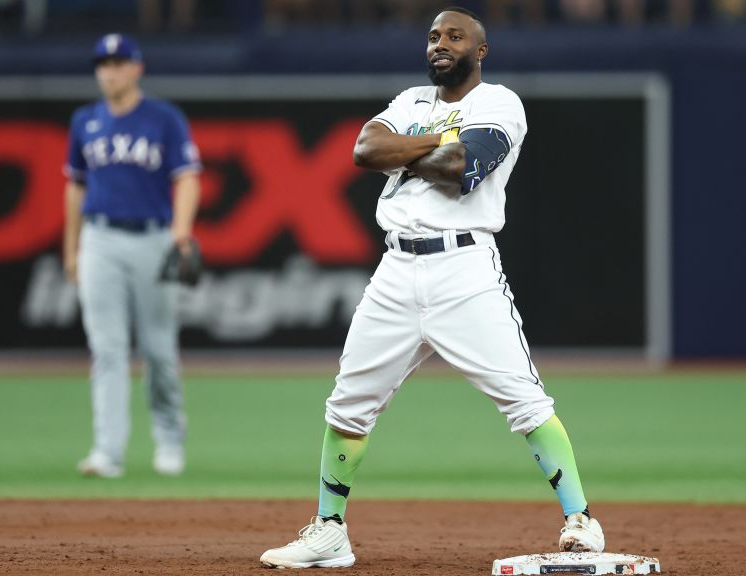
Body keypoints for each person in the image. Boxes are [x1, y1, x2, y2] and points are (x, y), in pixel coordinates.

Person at [259, 6, 604, 569]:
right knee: (348, 403)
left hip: (464, 270)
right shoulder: (410, 101)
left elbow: (461, 164)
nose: (440, 43)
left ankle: (581, 519)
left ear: (480, 50)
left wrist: (417, 147)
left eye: (454, 36)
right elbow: (365, 151)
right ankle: (329, 531)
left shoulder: (499, 103)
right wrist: (435, 141)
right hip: (395, 270)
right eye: (434, 36)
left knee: (523, 399)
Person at [63, 33, 202, 479]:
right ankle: (107, 451)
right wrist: (72, 247)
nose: (110, 70)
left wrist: (180, 234)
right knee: (107, 348)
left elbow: (188, 178)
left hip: (152, 238)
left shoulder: (163, 118)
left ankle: (168, 439)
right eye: (103, 63)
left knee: (159, 349)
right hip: (99, 238)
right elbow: (74, 187)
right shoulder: (85, 121)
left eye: (119, 62)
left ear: (137, 68)